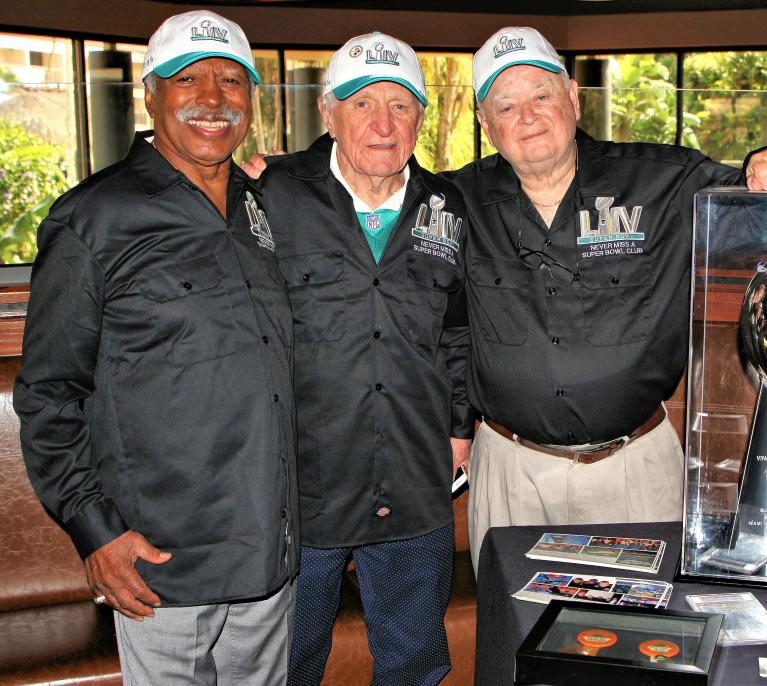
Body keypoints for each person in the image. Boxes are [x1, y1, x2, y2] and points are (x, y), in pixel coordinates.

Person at [450, 27, 767, 573]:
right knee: (516, 649)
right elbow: (436, 319)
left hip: (634, 470)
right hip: (510, 472)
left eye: (541, 96)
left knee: (643, 646)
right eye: (506, 105)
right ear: (485, 122)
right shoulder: (455, 200)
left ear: (573, 98)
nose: (527, 116)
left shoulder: (661, 181)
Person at [13, 10, 298, 684]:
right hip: (160, 560)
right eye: (187, 79)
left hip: (271, 549)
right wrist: (95, 531)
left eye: (233, 81)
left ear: (253, 99)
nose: (213, 98)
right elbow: (49, 393)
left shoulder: (262, 208)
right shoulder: (94, 217)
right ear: (150, 94)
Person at [256, 32, 472, 686]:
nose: (383, 124)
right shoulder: (272, 194)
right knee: (289, 663)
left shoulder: (448, 205)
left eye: (401, 105)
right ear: (328, 112)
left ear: (421, 118)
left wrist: (460, 426)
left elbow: (459, 330)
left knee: (413, 663)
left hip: (411, 480)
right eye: (362, 104)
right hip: (300, 484)